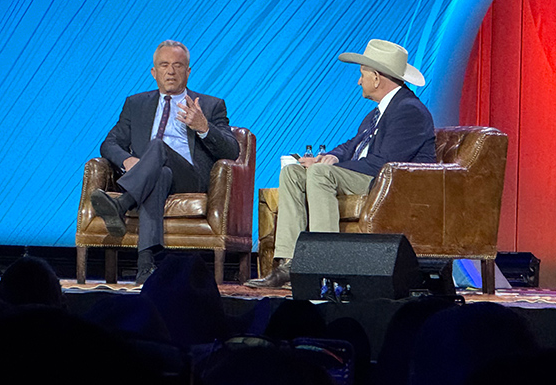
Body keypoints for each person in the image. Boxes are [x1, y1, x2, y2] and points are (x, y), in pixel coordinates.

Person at [245, 39, 435, 288]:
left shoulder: (408, 110)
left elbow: (383, 163)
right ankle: (290, 264)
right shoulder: (377, 112)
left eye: (362, 75)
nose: (359, 81)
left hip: (389, 184)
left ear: (376, 78)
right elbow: (353, 145)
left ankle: (326, 266)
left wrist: (327, 168)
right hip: (369, 176)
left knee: (321, 175)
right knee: (293, 172)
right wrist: (330, 157)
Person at [91, 40, 240, 285]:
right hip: (152, 177)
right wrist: (128, 160)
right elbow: (109, 144)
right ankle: (145, 267)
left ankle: (122, 203)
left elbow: (232, 151)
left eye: (178, 66)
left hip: (191, 178)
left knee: (157, 145)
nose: (171, 71)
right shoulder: (135, 104)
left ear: (188, 71)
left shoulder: (211, 105)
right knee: (159, 174)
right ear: (154, 72)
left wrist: (203, 127)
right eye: (164, 65)